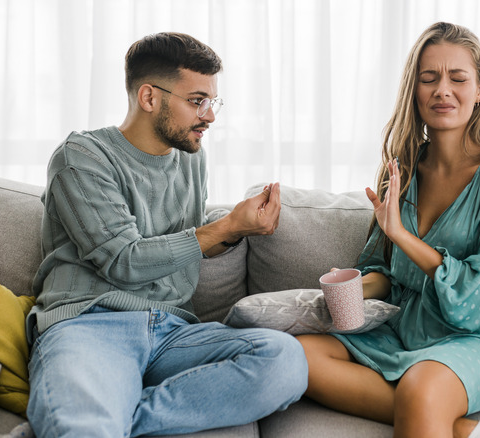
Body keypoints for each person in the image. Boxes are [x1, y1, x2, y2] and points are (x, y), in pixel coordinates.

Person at [25, 32, 307, 437]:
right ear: (149, 97)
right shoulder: (81, 157)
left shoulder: (193, 160)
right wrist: (223, 227)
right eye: (197, 101)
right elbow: (124, 261)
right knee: (83, 428)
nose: (209, 116)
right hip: (90, 324)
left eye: (212, 102)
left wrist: (236, 231)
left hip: (174, 332)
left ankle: (121, 416)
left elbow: (180, 242)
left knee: (284, 361)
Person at [298, 22, 480, 438]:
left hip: (479, 336)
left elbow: (476, 300)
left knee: (421, 389)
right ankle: (464, 430)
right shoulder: (402, 170)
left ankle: (429, 410)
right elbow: (384, 274)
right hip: (404, 329)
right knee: (299, 355)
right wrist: (345, 293)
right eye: (429, 79)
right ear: (415, 90)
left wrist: (403, 237)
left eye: (458, 78)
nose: (442, 90)